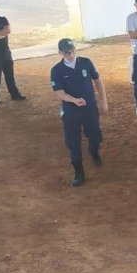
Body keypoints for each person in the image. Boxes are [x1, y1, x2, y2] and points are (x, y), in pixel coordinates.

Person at [50, 38, 109, 187]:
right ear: (60, 53)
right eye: (66, 53)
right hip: (71, 112)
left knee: (95, 135)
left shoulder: (86, 62)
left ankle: (93, 151)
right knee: (73, 142)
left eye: (72, 51)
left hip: (89, 108)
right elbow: (60, 92)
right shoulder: (56, 70)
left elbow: (98, 81)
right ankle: (78, 170)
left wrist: (104, 101)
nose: (70, 55)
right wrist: (74, 100)